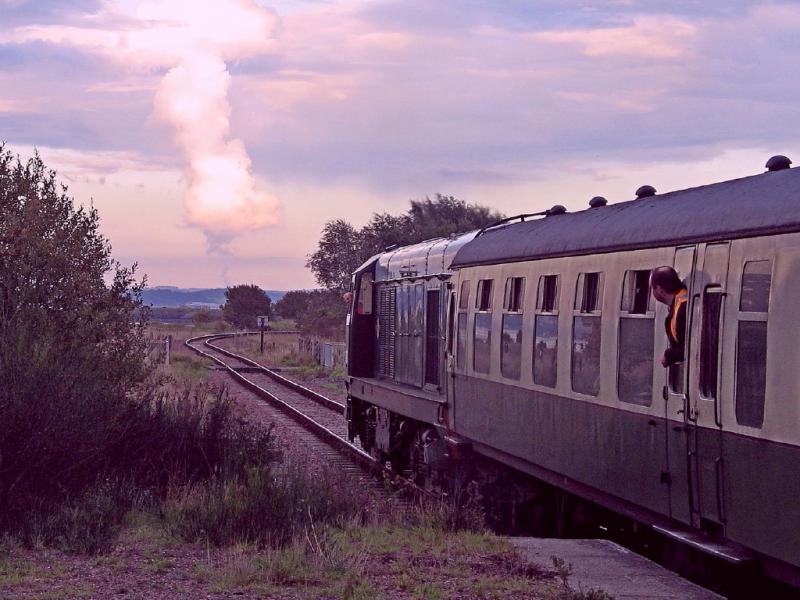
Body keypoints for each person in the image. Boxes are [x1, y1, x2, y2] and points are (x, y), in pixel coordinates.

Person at [650, 266, 688, 368]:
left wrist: (668, 356)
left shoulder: (683, 306)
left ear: (660, 290)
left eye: (652, 288)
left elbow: (689, 347)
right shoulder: (680, 301)